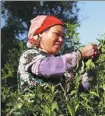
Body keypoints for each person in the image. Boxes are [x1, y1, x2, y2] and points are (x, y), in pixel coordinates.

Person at [17, 15, 100, 92]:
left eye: (63, 37)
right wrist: (80, 54)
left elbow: (85, 88)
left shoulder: (62, 63)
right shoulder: (29, 55)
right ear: (41, 33)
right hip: (32, 107)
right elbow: (48, 68)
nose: (61, 40)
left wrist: (87, 64)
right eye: (57, 34)